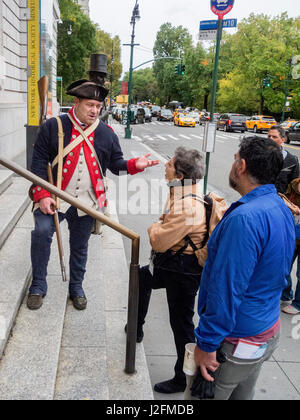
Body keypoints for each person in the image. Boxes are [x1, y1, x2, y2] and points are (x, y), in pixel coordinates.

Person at [27, 79, 159, 311]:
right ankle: (38, 284)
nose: (95, 111)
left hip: (86, 201)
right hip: (55, 196)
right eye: (90, 105)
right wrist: (42, 194)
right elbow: (38, 161)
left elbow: (116, 164)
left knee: (80, 245)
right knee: (42, 232)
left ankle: (76, 286)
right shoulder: (54, 126)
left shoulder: (106, 133)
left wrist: (135, 164)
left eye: (98, 106)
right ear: (76, 103)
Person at [194, 136, 295, 400]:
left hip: (236, 339)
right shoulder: (279, 205)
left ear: (241, 166)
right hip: (266, 329)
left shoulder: (245, 218)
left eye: (233, 158)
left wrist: (207, 343)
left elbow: (227, 289)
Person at [135, 147, 207, 394]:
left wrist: (155, 226)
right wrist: (161, 225)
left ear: (181, 172)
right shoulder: (180, 191)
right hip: (173, 265)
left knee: (182, 323)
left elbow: (158, 240)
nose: (165, 166)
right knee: (143, 278)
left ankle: (184, 377)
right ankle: (136, 327)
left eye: (169, 163)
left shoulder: (188, 206)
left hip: (183, 271)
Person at [281, 177, 300, 315]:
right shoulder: (293, 186)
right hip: (292, 237)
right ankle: (286, 293)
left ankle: (298, 303)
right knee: (283, 267)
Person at [268, 125, 300, 193]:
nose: (270, 139)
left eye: (274, 137)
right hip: (259, 199)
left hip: (280, 200)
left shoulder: (292, 160)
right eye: (269, 136)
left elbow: (294, 183)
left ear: (283, 139)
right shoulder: (258, 156)